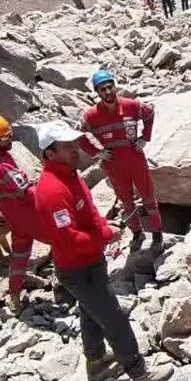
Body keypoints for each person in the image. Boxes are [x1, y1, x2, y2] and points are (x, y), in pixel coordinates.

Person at [34, 120, 172, 381]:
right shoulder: (51, 191)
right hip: (78, 269)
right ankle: (138, 370)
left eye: (75, 143)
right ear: (50, 153)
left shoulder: (70, 175)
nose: (75, 149)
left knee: (89, 311)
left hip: (91, 261)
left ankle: (95, 361)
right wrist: (105, 236)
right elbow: (67, 238)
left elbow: (90, 212)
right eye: (67, 146)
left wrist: (104, 228)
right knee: (113, 316)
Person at [77, 69, 164, 253]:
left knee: (148, 198)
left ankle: (157, 235)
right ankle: (137, 233)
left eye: (110, 87)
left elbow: (149, 113)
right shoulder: (92, 115)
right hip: (114, 164)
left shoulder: (131, 105)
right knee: (126, 202)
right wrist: (96, 152)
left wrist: (145, 137)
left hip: (135, 160)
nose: (108, 92)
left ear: (115, 87)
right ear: (97, 92)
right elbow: (78, 134)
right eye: (102, 89)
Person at [0, 113, 39, 313]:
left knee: (19, 253)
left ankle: (14, 292)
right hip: (22, 212)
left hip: (10, 212)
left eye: (10, 134)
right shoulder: (1, 164)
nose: (10, 139)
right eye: (5, 137)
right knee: (57, 235)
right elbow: (24, 192)